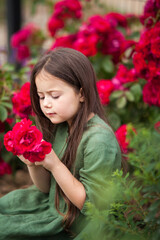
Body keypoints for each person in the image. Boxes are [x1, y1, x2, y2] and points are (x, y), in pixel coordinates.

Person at [0, 47, 121, 239]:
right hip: (53, 204)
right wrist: (33, 163)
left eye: (54, 96)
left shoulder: (99, 141)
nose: (46, 103)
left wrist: (55, 165)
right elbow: (47, 189)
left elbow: (92, 206)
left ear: (81, 94)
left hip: (77, 223)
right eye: (41, 96)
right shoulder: (64, 126)